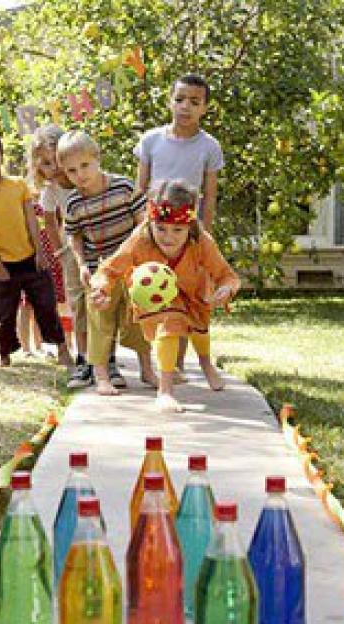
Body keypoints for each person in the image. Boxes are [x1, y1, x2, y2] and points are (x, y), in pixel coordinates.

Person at [90, 179, 240, 413]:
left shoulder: (202, 241)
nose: (168, 237)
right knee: (170, 322)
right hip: (156, 296)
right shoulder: (140, 239)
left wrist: (226, 289)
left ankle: (206, 363)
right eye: (160, 228)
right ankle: (165, 390)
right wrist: (101, 289)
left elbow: (227, 275)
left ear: (189, 226)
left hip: (194, 292)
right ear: (150, 222)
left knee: (200, 329)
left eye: (177, 230)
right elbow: (108, 269)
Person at [134, 73, 224, 378]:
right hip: (153, 231)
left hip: (187, 232)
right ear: (170, 101)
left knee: (184, 295)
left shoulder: (210, 147)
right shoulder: (151, 141)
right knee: (150, 293)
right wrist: (139, 230)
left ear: (205, 108)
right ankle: (152, 365)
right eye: (180, 99)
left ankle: (178, 364)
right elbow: (140, 189)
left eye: (194, 102)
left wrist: (204, 235)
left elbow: (209, 196)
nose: (185, 107)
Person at [57, 130, 157, 396]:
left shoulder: (123, 187)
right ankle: (102, 376)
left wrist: (137, 256)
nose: (80, 175)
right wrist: (80, 264)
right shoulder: (74, 202)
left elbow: (143, 222)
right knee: (99, 320)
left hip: (131, 266)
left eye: (85, 166)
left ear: (97, 158)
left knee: (139, 317)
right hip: (98, 269)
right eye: (71, 171)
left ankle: (147, 369)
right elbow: (74, 236)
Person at [0, 132, 73, 368]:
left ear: (1, 158)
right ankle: (4, 355)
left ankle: (63, 350)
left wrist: (40, 253)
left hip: (31, 260)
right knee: (3, 314)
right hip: (2, 264)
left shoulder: (18, 186)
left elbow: (32, 222)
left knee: (47, 306)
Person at [27, 124, 91, 384]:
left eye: (54, 161)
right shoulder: (51, 190)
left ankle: (103, 354)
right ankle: (82, 355)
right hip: (71, 248)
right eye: (43, 163)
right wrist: (60, 250)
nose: (50, 168)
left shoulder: (83, 178)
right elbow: (50, 220)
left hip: (98, 243)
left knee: (100, 301)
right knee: (76, 301)